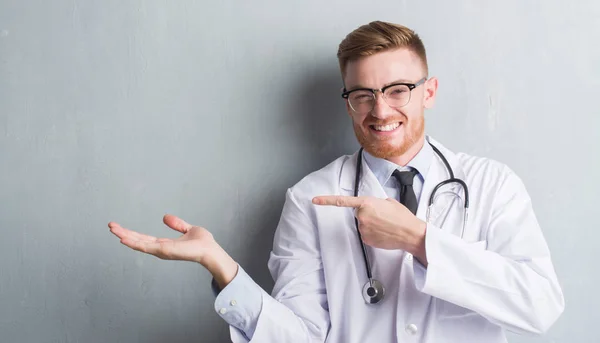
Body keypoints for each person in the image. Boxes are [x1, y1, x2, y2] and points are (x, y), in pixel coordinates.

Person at [109, 21, 565, 343]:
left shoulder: (490, 184)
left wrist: (419, 240)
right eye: (362, 95)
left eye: (397, 90)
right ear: (348, 101)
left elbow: (540, 306)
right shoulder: (311, 198)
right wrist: (222, 269)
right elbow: (302, 337)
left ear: (429, 91)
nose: (380, 110)